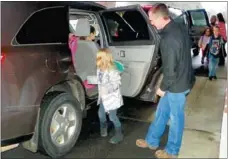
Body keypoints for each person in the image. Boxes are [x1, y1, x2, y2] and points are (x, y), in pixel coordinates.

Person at [136, 3, 195, 159]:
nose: (151, 23)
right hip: (182, 79)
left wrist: (162, 88)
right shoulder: (178, 27)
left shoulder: (168, 38)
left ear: (161, 18)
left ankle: (172, 151)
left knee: (176, 119)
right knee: (162, 112)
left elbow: (170, 69)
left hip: (177, 85)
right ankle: (151, 141)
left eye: (152, 20)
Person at [96, 48, 124, 144]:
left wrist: (107, 88)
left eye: (98, 58)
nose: (97, 60)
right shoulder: (99, 69)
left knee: (112, 117)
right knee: (101, 114)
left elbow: (116, 83)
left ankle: (119, 134)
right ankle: (103, 127)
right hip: (104, 98)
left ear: (104, 59)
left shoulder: (112, 71)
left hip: (112, 98)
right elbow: (100, 80)